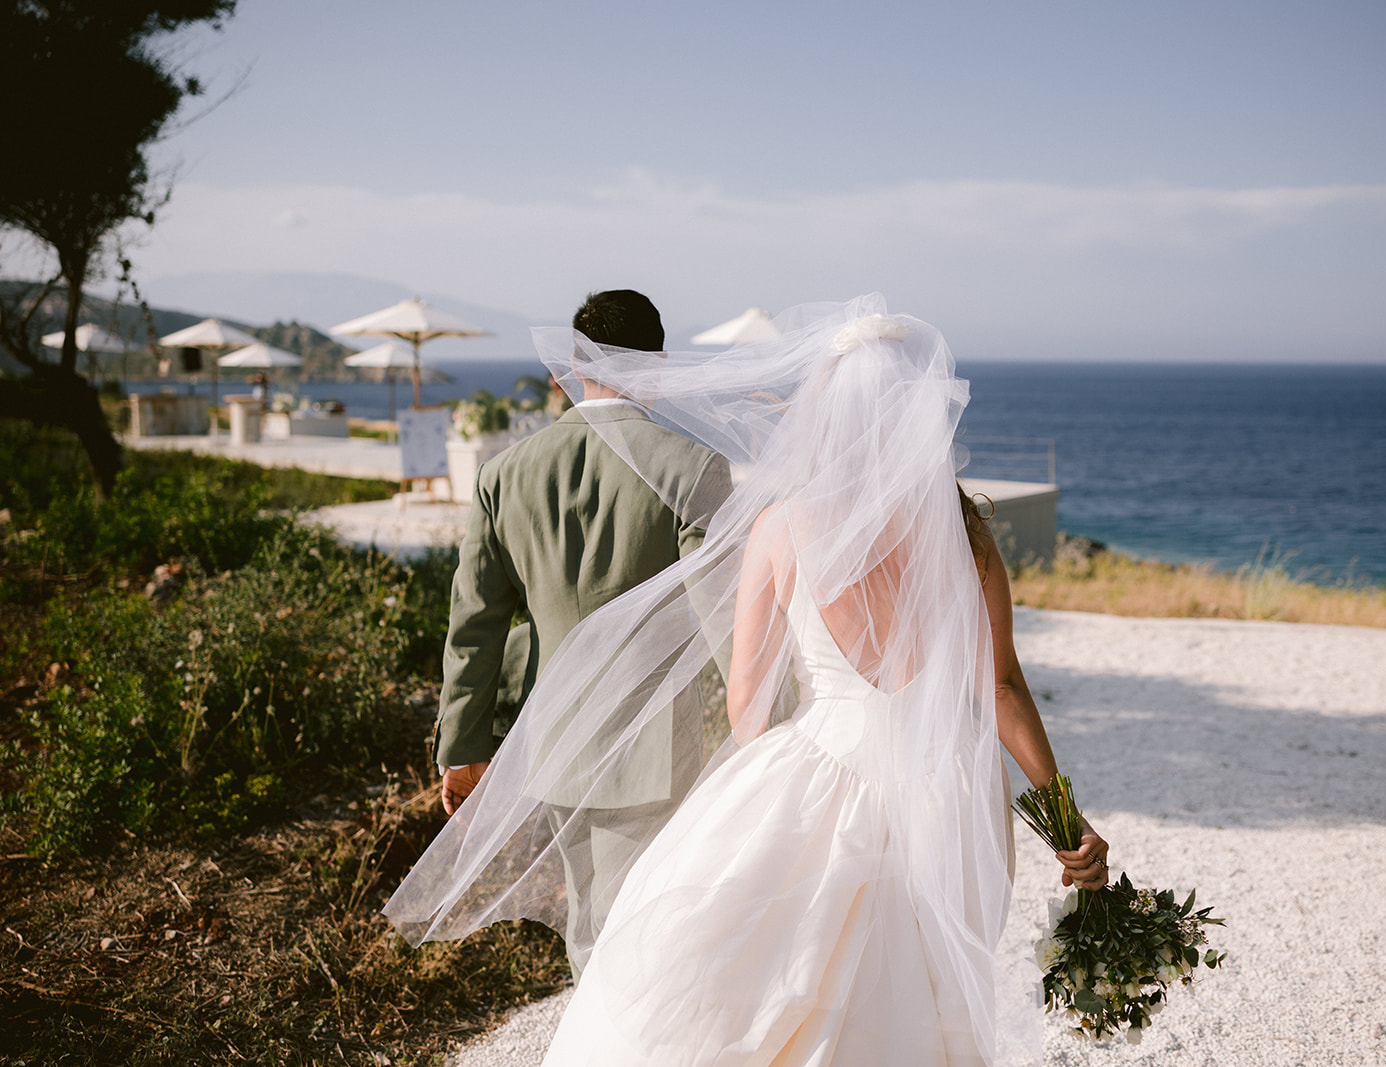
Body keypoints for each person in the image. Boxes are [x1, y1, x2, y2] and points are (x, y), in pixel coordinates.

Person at [386, 296, 1107, 1064]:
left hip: (817, 773)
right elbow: (999, 689)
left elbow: (748, 705)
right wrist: (1070, 821)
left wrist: (761, 788)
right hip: (947, 797)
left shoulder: (781, 526)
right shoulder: (968, 538)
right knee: (919, 998)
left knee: (764, 984)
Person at [430, 289, 731, 973]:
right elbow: (730, 619)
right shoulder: (694, 468)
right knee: (650, 931)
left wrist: (463, 746)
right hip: (660, 742)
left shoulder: (505, 473)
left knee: (592, 927)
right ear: (657, 366)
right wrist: (776, 729)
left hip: (556, 740)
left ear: (573, 362)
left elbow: (473, 624)